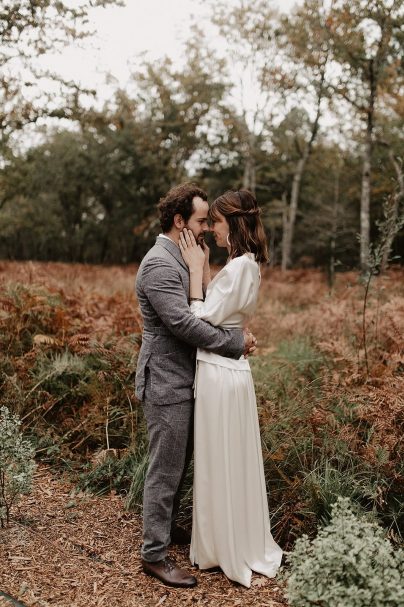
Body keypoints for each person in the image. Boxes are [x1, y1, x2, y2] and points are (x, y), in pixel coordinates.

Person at [135, 183, 257, 589]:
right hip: (167, 380)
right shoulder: (160, 265)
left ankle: (166, 530)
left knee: (181, 463)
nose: (206, 228)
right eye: (202, 220)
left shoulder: (183, 258)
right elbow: (187, 325)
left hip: (190, 379)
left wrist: (200, 269)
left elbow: (205, 306)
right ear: (179, 221)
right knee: (164, 468)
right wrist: (236, 343)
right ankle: (153, 554)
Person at [178, 189, 283, 588]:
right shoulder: (247, 264)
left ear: (234, 224)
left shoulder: (239, 267)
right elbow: (223, 309)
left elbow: (200, 318)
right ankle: (231, 539)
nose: (211, 230)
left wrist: (191, 271)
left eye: (216, 223)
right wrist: (205, 267)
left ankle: (223, 547)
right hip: (235, 370)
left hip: (219, 371)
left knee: (218, 455)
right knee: (231, 455)